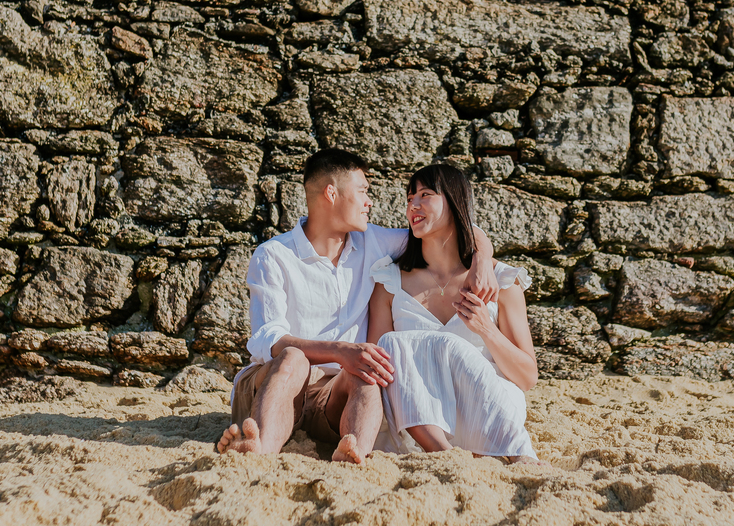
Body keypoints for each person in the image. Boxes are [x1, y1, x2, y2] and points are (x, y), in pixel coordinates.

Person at [215, 148, 508, 463]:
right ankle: (258, 454)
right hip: (275, 382)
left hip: (335, 394)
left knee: (367, 371)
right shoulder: (273, 254)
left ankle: (354, 455)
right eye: (363, 191)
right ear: (332, 193)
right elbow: (267, 339)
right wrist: (341, 351)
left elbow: (449, 227)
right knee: (293, 359)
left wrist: (482, 260)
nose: (370, 202)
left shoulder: (374, 241)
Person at [367, 164, 541, 463]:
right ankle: (443, 454)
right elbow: (377, 365)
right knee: (390, 346)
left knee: (443, 346)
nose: (413, 205)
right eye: (409, 198)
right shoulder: (390, 283)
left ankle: (506, 451)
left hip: (489, 410)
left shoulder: (501, 283)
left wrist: (487, 330)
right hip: (416, 420)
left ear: (454, 201)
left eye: (425, 194)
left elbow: (527, 377)